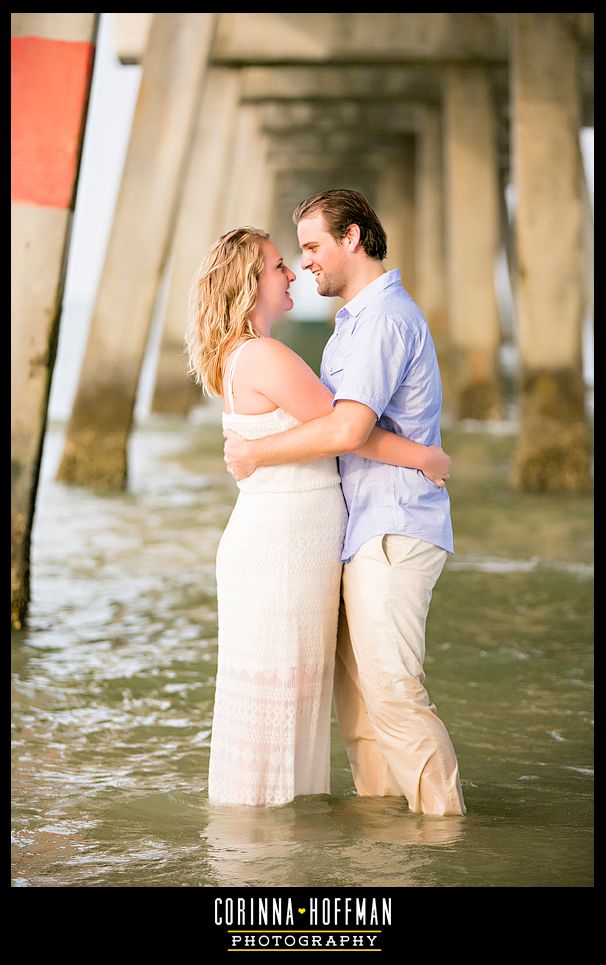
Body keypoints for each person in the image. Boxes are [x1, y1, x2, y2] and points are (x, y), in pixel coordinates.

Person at [186, 225, 453, 808]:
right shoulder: (266, 355)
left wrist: (256, 452)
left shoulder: (243, 355)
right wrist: (425, 457)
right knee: (282, 704)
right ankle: (272, 851)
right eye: (279, 264)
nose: (291, 273)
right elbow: (345, 433)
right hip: (282, 549)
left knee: (279, 703)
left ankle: (265, 849)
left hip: (282, 541)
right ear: (249, 284)